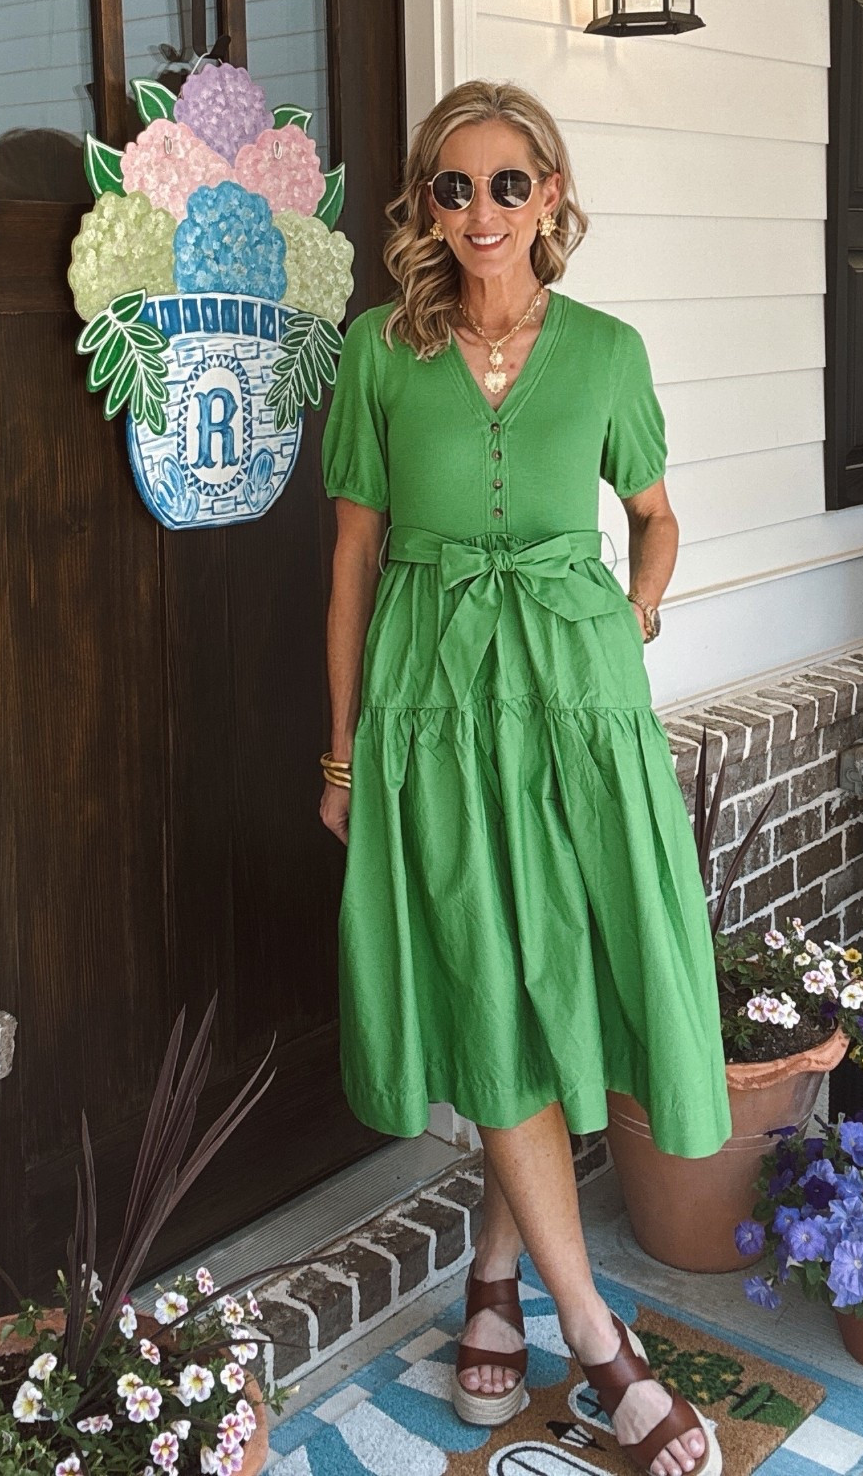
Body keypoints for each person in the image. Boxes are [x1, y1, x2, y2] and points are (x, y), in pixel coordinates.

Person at [317, 80, 729, 1476]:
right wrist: (341, 750)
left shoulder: (608, 352)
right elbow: (353, 564)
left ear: (550, 193)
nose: (481, 210)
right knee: (491, 981)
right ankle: (600, 1341)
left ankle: (494, 1280)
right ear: (425, 205)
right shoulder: (379, 353)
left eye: (508, 182)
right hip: (432, 711)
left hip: (578, 712)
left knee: (557, 983)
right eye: (455, 186)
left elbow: (656, 517)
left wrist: (633, 617)